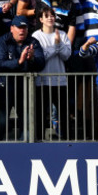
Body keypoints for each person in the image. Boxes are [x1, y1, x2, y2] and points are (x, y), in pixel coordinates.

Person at [0, 15, 46, 140]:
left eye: (24, 28)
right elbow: (0, 64)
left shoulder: (33, 42)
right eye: (19, 27)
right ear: (12, 28)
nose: (22, 30)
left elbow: (41, 64)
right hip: (4, 88)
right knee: (2, 122)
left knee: (27, 121)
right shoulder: (2, 42)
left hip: (24, 88)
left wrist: (32, 59)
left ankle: (26, 150)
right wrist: (19, 61)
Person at [33, 7, 71, 141]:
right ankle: (38, 140)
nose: (50, 18)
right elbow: (40, 58)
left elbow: (66, 55)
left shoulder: (62, 34)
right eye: (46, 16)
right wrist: (56, 47)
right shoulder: (36, 36)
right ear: (41, 19)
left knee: (64, 114)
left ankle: (66, 141)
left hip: (60, 81)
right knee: (41, 114)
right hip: (42, 82)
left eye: (52, 15)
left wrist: (58, 43)